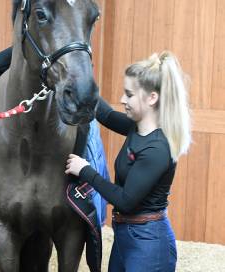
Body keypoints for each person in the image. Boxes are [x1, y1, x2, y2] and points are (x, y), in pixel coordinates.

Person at [65, 51, 191, 272]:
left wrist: (85, 171)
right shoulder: (136, 127)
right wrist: (80, 80)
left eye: (129, 94)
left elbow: (125, 200)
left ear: (152, 98)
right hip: (126, 236)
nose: (123, 100)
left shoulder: (158, 148)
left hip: (148, 243)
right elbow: (105, 115)